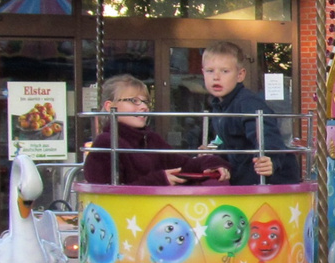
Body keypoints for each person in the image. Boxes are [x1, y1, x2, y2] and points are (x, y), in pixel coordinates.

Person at [82, 75, 229, 186]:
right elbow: (105, 194)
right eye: (134, 101)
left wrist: (213, 164)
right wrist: (159, 180)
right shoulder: (106, 142)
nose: (144, 107)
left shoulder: (151, 139)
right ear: (110, 107)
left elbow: (185, 165)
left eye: (146, 101)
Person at [200, 41, 301, 185]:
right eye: (210, 71)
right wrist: (215, 153)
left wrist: (270, 158)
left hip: (273, 178)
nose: (216, 77)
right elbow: (235, 144)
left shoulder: (247, 103)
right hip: (246, 174)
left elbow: (267, 134)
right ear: (203, 73)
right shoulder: (220, 105)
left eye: (224, 71)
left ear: (240, 75)